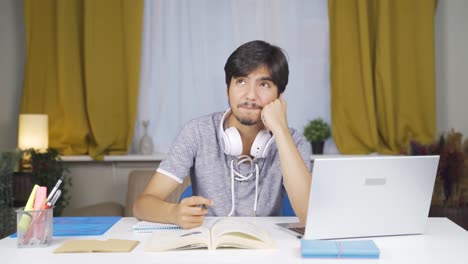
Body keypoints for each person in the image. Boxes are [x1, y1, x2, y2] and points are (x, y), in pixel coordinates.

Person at [133, 40, 312, 229]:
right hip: (208, 246)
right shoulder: (197, 132)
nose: (250, 95)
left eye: (264, 84)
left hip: (267, 249)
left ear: (279, 96)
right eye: (241, 81)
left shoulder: (294, 141)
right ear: (228, 89)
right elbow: (142, 205)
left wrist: (281, 132)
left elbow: (310, 216)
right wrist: (173, 213)